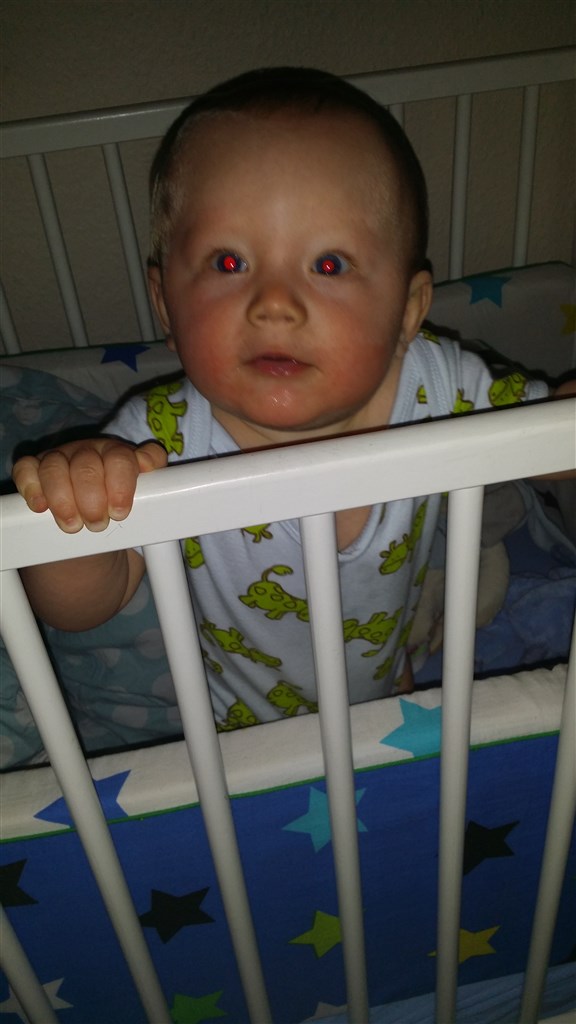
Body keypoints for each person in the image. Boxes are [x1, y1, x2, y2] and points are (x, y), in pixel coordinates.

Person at [12, 67, 574, 731]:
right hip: (246, 735)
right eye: (229, 262)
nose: (274, 303)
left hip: (387, 683)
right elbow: (80, 609)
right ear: (165, 304)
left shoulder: (440, 380)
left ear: (406, 313)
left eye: (328, 264)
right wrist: (70, 514)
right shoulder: (158, 439)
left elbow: (552, 441)